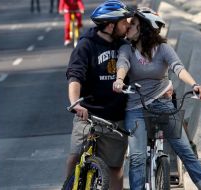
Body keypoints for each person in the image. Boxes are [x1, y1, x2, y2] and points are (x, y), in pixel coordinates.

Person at [113, 7, 201, 190]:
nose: (128, 27)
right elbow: (122, 64)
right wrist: (119, 80)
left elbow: (178, 68)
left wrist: (195, 85)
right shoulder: (126, 49)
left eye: (134, 24)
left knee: (185, 150)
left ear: (144, 29)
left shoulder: (163, 49)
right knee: (137, 158)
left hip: (163, 104)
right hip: (136, 107)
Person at [65, 1, 133, 189]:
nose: (127, 24)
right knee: (75, 156)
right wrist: (75, 104)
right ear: (111, 25)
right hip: (88, 115)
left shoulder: (124, 45)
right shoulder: (86, 45)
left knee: (115, 168)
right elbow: (75, 77)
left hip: (115, 118)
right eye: (123, 21)